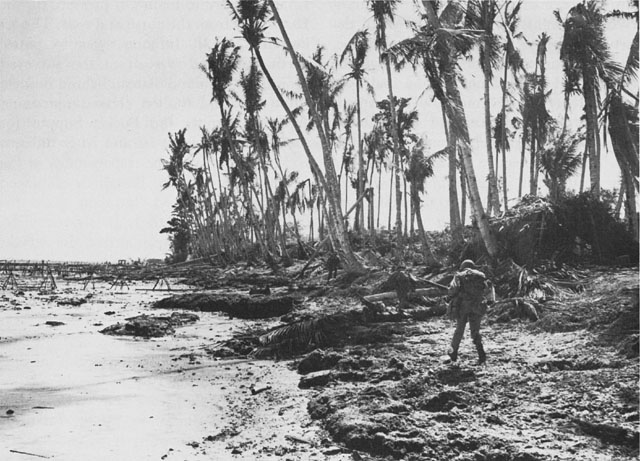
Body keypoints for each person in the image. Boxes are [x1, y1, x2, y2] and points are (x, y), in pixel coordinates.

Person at [446, 259, 494, 365]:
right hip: (478, 306)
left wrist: (449, 296)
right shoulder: (481, 275)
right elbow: (488, 289)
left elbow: (453, 289)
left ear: (463, 267)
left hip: (462, 306)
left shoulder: (459, 275)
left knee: (459, 330)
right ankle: (481, 355)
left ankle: (453, 354)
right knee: (475, 331)